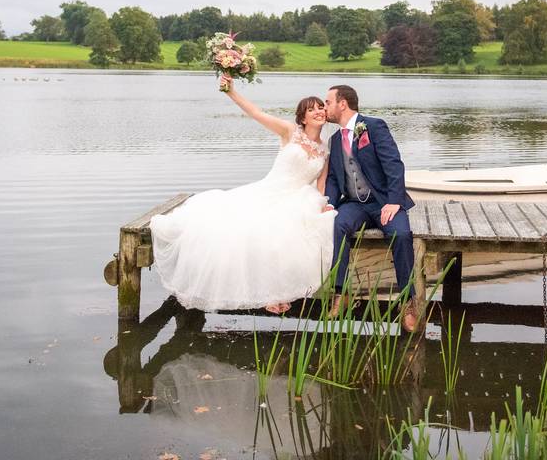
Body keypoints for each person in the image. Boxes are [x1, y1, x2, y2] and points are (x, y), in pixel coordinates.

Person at [149, 75, 335, 314]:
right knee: (246, 228)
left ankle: (280, 292)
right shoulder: (290, 132)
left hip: (298, 197)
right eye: (312, 109)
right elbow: (256, 113)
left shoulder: (325, 150)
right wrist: (231, 91)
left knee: (295, 232)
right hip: (269, 191)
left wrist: (322, 203)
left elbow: (320, 185)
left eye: (321, 107)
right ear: (302, 117)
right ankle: (270, 294)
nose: (318, 111)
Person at [323, 85, 418, 332]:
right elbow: (334, 178)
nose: (325, 107)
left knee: (401, 234)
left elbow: (394, 164)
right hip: (355, 203)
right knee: (337, 224)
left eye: (327, 102)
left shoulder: (373, 127)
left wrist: (394, 200)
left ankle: (408, 300)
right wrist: (329, 203)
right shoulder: (334, 140)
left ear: (342, 103)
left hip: (384, 201)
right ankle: (341, 292)